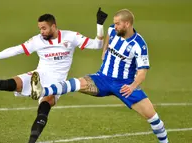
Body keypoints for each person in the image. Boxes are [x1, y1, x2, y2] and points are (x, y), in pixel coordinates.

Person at [0, 8, 108, 143]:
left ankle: (31, 140)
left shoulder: (70, 37)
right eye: (39, 28)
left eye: (44, 28)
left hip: (57, 83)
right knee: (6, 84)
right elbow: (16, 50)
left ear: (53, 26)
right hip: (38, 75)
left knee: (44, 108)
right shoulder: (38, 40)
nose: (41, 31)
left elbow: (97, 44)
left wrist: (99, 24)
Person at [30, 9, 169, 143]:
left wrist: (132, 87)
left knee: (153, 118)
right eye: (114, 23)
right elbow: (108, 36)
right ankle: (42, 91)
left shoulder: (139, 45)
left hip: (124, 85)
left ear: (127, 24)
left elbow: (142, 72)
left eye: (117, 24)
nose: (114, 26)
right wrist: (104, 50)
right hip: (102, 78)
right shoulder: (112, 30)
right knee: (76, 83)